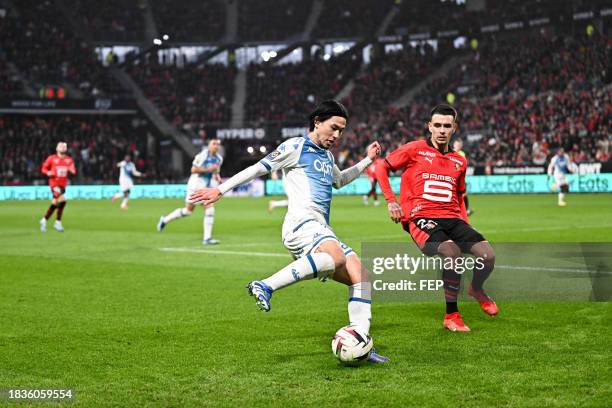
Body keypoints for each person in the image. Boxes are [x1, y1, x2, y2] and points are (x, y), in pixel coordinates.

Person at [189, 100, 388, 362]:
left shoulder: (327, 156)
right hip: (300, 224)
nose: (337, 136)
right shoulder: (296, 146)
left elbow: (339, 181)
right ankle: (265, 285)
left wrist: (367, 161)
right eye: (334, 128)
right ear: (317, 122)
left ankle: (360, 341)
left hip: (319, 227)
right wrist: (220, 189)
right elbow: (257, 168)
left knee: (360, 277)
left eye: (342, 130)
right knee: (337, 257)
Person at [376, 104, 497, 332]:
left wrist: (465, 224)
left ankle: (476, 289)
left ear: (454, 128)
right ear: (429, 126)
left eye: (447, 126)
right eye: (438, 125)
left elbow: (459, 195)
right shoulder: (415, 150)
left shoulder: (459, 161)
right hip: (421, 217)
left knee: (488, 256)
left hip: (453, 218)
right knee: (451, 252)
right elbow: (382, 167)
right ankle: (451, 315)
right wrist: (391, 201)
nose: (442, 130)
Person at [157, 138, 223, 245]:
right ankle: (207, 238)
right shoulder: (202, 155)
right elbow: (193, 170)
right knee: (209, 207)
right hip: (195, 185)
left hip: (204, 186)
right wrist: (208, 169)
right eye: (214, 143)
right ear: (209, 145)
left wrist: (217, 177)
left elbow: (216, 170)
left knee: (188, 211)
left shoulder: (219, 158)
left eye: (218, 144)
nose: (216, 146)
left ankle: (164, 220)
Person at [39, 142, 76, 232]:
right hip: (54, 183)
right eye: (61, 146)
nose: (62, 148)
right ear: (57, 148)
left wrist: (71, 170)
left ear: (66, 149)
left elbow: (74, 171)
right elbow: (43, 168)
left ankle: (44, 220)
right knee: (62, 200)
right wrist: (48, 172)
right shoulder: (52, 158)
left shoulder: (69, 160)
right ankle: (57, 222)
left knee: (56, 202)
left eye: (64, 147)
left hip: (63, 185)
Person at [452, 138, 473, 215]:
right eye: (457, 144)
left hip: (460, 177)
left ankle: (465, 209)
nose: (458, 146)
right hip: (452, 176)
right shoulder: (450, 152)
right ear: (454, 144)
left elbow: (463, 165)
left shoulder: (462, 154)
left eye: (459, 145)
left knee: (464, 194)